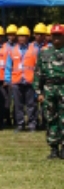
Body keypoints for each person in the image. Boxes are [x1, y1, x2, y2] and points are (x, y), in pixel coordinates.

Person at [35, 24, 64, 159]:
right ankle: (53, 148)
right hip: (49, 89)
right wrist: (39, 92)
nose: (56, 39)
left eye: (59, 36)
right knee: (50, 118)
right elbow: (38, 74)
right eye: (54, 36)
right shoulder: (44, 53)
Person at [5, 26, 39, 131]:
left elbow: (38, 67)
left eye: (24, 36)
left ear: (28, 37)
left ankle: (32, 125)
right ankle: (20, 124)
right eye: (20, 36)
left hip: (29, 81)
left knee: (31, 105)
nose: (21, 38)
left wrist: (38, 81)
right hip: (16, 82)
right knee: (18, 105)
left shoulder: (35, 50)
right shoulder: (12, 50)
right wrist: (7, 80)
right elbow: (8, 66)